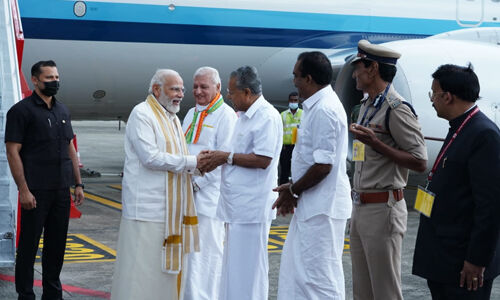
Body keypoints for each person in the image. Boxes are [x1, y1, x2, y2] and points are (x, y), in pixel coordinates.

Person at [110, 69, 210, 300]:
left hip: (170, 212)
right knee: (140, 275)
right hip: (146, 209)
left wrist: (197, 163)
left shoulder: (172, 118)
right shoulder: (142, 114)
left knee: (163, 277)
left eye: (182, 90)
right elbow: (150, 158)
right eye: (175, 89)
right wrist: (193, 162)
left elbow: (178, 155)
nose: (181, 95)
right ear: (156, 90)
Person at [349, 40, 428, 300]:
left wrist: (376, 143)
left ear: (372, 69)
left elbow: (419, 160)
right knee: (363, 292)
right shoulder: (367, 106)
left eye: (358, 67)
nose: (354, 74)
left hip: (383, 210)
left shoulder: (397, 109)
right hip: (361, 208)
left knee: (385, 292)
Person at [413, 64, 500, 300]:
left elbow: (490, 206)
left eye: (434, 94)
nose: (432, 100)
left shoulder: (483, 134)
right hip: (444, 256)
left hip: (463, 264)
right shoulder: (460, 127)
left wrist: (476, 260)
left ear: (448, 96)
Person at [273, 51, 352, 299]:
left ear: (308, 78)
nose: (294, 81)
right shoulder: (317, 106)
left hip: (323, 209)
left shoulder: (324, 110)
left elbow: (323, 165)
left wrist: (293, 190)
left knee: (320, 278)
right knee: (300, 273)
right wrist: (293, 188)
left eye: (296, 76)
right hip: (314, 205)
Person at [200, 66, 282, 300]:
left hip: (252, 209)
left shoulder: (266, 116)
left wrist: (224, 157)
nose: (229, 97)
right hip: (238, 207)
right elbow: (238, 153)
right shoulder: (243, 117)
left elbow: (263, 159)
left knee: (250, 270)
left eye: (231, 92)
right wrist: (218, 158)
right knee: (235, 268)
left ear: (247, 92)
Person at [5, 60, 84, 300]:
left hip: (61, 190)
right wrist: (24, 190)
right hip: (35, 191)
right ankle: (25, 294)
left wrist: (78, 183)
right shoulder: (21, 111)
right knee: (28, 247)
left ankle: (52, 293)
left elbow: (70, 147)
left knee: (56, 247)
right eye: (49, 78)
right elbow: (12, 151)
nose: (54, 81)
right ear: (35, 80)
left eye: (56, 77)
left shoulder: (62, 110)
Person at [182, 66, 237, 300]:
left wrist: (196, 184)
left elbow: (225, 158)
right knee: (188, 256)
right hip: (186, 197)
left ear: (217, 87)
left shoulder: (226, 115)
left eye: (204, 86)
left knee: (206, 256)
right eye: (195, 86)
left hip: (208, 200)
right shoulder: (190, 114)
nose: (198, 91)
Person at [279, 91, 303, 184]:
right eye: (292, 100)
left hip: (298, 147)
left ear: (298, 101)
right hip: (286, 147)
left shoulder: (303, 114)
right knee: (284, 171)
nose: (293, 102)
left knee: (297, 171)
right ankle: (282, 193)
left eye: (295, 100)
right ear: (289, 101)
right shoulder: (283, 115)